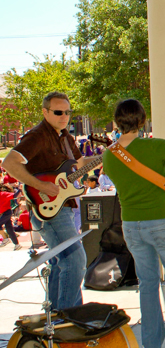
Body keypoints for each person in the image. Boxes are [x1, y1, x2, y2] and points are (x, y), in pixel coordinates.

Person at [101, 99, 165, 348]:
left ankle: (151, 342)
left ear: (117, 122)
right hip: (163, 221)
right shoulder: (154, 146)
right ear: (142, 120)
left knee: (148, 284)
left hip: (132, 225)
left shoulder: (109, 155)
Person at [2, 92, 96, 310]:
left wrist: (109, 156)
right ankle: (65, 319)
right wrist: (41, 185)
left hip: (64, 207)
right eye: (58, 112)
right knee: (75, 260)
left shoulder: (65, 136)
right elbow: (9, 163)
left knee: (60, 263)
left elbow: (80, 165)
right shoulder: (37, 136)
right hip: (48, 209)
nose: (64, 116)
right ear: (45, 112)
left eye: (68, 112)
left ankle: (56, 319)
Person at [0, 184, 20, 250]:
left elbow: (14, 195)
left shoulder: (3, 194)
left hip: (7, 212)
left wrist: (20, 189)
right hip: (5, 213)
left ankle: (5, 239)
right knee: (9, 229)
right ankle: (17, 244)